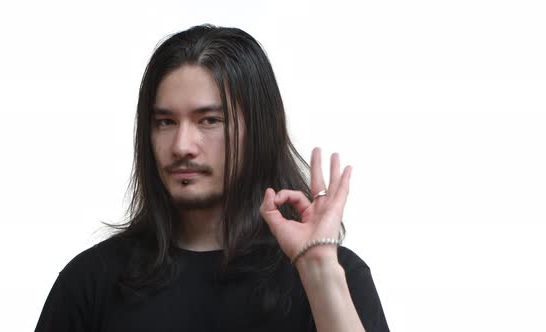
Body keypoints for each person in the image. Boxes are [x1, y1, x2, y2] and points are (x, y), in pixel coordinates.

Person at [34, 24, 389, 332]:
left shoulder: (336, 276)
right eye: (165, 122)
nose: (182, 145)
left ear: (259, 131)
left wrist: (319, 270)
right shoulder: (92, 282)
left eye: (209, 121)